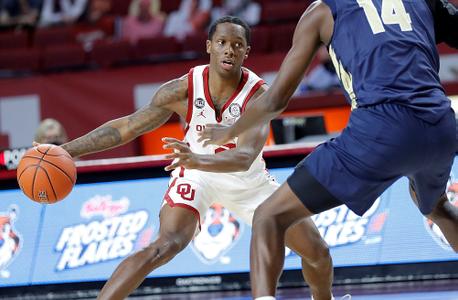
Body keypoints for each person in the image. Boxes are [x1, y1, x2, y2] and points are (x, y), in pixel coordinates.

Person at [52, 16, 333, 300]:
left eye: (237, 45)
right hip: (197, 176)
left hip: (247, 181)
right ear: (209, 46)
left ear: (246, 52)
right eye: (222, 42)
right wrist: (67, 151)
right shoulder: (182, 89)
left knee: (318, 253)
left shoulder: (258, 94)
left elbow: (244, 157)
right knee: (164, 245)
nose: (229, 50)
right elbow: (127, 127)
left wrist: (196, 160)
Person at [198, 1, 458, 299]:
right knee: (437, 207)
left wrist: (229, 130)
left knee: (269, 216)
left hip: (381, 129)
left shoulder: (322, 11)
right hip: (441, 124)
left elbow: (276, 100)